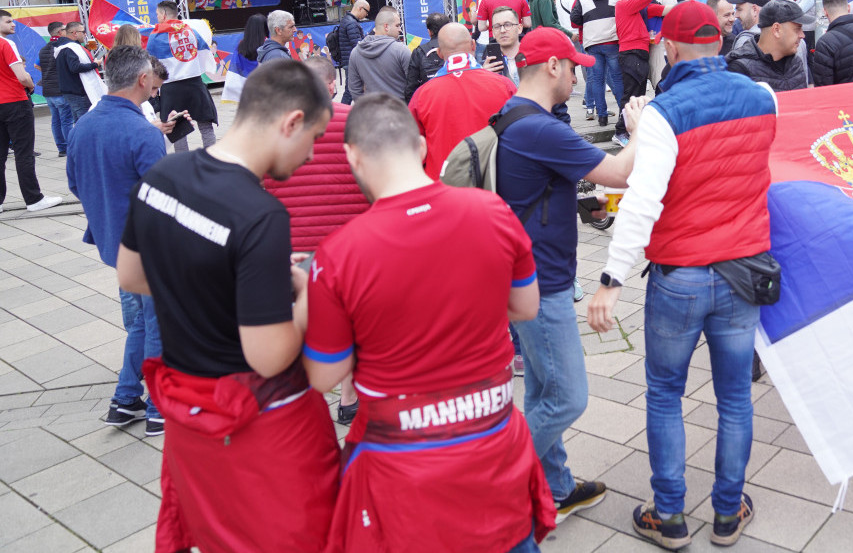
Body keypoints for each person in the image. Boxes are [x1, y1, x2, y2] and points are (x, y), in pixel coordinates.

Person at [302, 93, 555, 552]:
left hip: (403, 479)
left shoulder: (339, 254)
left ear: (352, 156)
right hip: (495, 457)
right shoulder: (492, 212)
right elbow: (526, 307)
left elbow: (324, 374)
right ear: (420, 147)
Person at [117, 59, 339, 551]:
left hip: (186, 418)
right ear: (292, 123)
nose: (310, 156)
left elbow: (132, 275)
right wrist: (306, 295)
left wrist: (236, 284)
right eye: (315, 138)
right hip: (255, 426)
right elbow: (269, 355)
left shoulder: (164, 174)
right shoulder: (260, 214)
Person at [585, 1, 777, 550]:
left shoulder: (666, 112)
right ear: (719, 43)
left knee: (665, 393)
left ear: (668, 47)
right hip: (743, 272)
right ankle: (726, 510)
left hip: (681, 276)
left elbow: (642, 201)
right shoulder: (762, 97)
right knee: (735, 396)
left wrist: (610, 278)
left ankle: (668, 514)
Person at [493, 28, 643, 523]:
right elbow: (621, 172)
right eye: (574, 66)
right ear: (553, 67)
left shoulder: (515, 116)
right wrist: (637, 129)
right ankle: (491, 479)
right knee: (567, 397)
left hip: (524, 274)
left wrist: (576, 200)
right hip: (541, 281)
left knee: (540, 388)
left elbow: (535, 189)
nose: (580, 75)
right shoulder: (539, 126)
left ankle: (555, 487)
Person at [262, 56, 370, 427]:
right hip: (348, 250)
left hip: (293, 252)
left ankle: (302, 400)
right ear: (329, 85)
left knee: (299, 326)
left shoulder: (277, 129)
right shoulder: (355, 122)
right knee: (352, 325)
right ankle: (350, 399)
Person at [66, 45, 168, 435]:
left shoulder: (82, 128)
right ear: (143, 79)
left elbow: (76, 184)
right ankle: (158, 408)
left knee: (140, 324)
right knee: (157, 325)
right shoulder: (141, 132)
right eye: (153, 85)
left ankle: (126, 399)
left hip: (115, 247)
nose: (155, 91)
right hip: (150, 247)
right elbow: (163, 198)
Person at [408, 22, 517, 180]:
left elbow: (413, 151)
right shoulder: (504, 86)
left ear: (439, 53)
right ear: (473, 45)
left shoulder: (422, 95)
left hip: (443, 189)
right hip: (494, 184)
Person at [0, 10, 61, 211]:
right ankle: (33, 199)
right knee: (24, 152)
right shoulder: (6, 44)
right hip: (15, 102)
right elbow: (21, 75)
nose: (13, 25)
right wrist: (30, 85)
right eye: (8, 21)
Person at [147, 0, 219, 151]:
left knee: (178, 130)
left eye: (158, 14)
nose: (157, 17)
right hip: (195, 82)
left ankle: (183, 164)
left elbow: (150, 62)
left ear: (164, 14)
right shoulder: (192, 31)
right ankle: (213, 158)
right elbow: (204, 53)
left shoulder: (155, 36)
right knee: (206, 126)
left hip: (171, 86)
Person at [614, 0, 663, 146]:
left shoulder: (630, 6)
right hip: (632, 53)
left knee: (638, 94)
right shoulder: (624, 4)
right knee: (631, 95)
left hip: (637, 52)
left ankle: (630, 130)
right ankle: (620, 131)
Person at [726, 0, 811, 91]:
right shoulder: (739, 69)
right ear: (776, 30)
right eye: (797, 29)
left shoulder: (795, 63)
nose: (802, 35)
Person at [571, 0, 623, 125]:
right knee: (618, 79)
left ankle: (602, 116)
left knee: (597, 80)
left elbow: (574, 20)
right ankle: (623, 112)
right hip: (612, 41)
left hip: (593, 43)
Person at [348, 7, 410, 100]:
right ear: (386, 27)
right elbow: (413, 84)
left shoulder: (355, 53)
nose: (400, 29)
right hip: (400, 110)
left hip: (371, 111)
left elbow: (354, 90)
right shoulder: (401, 50)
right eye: (397, 25)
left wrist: (366, 108)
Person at [54, 22, 104, 123]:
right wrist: (95, 64)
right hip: (77, 91)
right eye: (83, 31)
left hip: (71, 90)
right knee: (85, 123)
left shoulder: (65, 47)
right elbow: (75, 67)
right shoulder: (70, 48)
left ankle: (76, 139)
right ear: (75, 33)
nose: (85, 34)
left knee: (78, 122)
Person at [37, 21, 71, 156]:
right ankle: (70, 147)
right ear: (59, 32)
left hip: (48, 90)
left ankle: (62, 148)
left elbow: (37, 65)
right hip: (59, 89)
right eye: (65, 29)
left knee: (56, 120)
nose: (66, 31)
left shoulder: (44, 49)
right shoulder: (63, 47)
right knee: (66, 120)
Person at [403, 12, 452, 101]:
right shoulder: (456, 48)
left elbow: (411, 87)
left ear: (429, 32)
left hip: (428, 103)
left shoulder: (419, 52)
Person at [336, 0, 371, 105]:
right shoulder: (351, 23)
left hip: (349, 61)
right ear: (360, 8)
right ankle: (340, 113)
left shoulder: (347, 20)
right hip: (352, 62)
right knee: (350, 91)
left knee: (351, 90)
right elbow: (358, 45)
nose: (366, 14)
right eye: (366, 11)